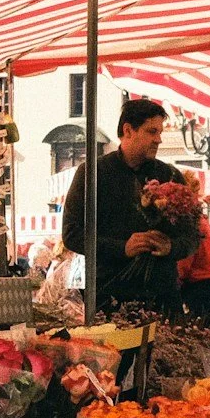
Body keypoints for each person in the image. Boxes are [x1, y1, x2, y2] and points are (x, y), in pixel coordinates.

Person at [61, 97, 190, 315]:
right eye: (152, 132)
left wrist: (171, 247)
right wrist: (121, 248)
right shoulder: (93, 173)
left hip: (163, 297)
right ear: (128, 130)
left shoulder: (170, 175)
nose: (158, 140)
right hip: (111, 297)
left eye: (160, 132)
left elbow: (192, 236)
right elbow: (72, 234)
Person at [177, 219, 210, 320]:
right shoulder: (205, 229)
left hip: (199, 289)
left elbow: (184, 264)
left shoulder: (190, 231)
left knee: (204, 328)